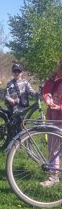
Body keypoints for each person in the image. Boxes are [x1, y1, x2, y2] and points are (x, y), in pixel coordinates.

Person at [40, 59, 62, 187]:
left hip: (59, 119)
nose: (57, 69)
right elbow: (47, 90)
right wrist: (51, 77)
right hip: (54, 119)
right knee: (53, 149)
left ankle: (54, 175)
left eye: (59, 67)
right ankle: (54, 176)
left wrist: (59, 107)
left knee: (55, 150)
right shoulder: (57, 82)